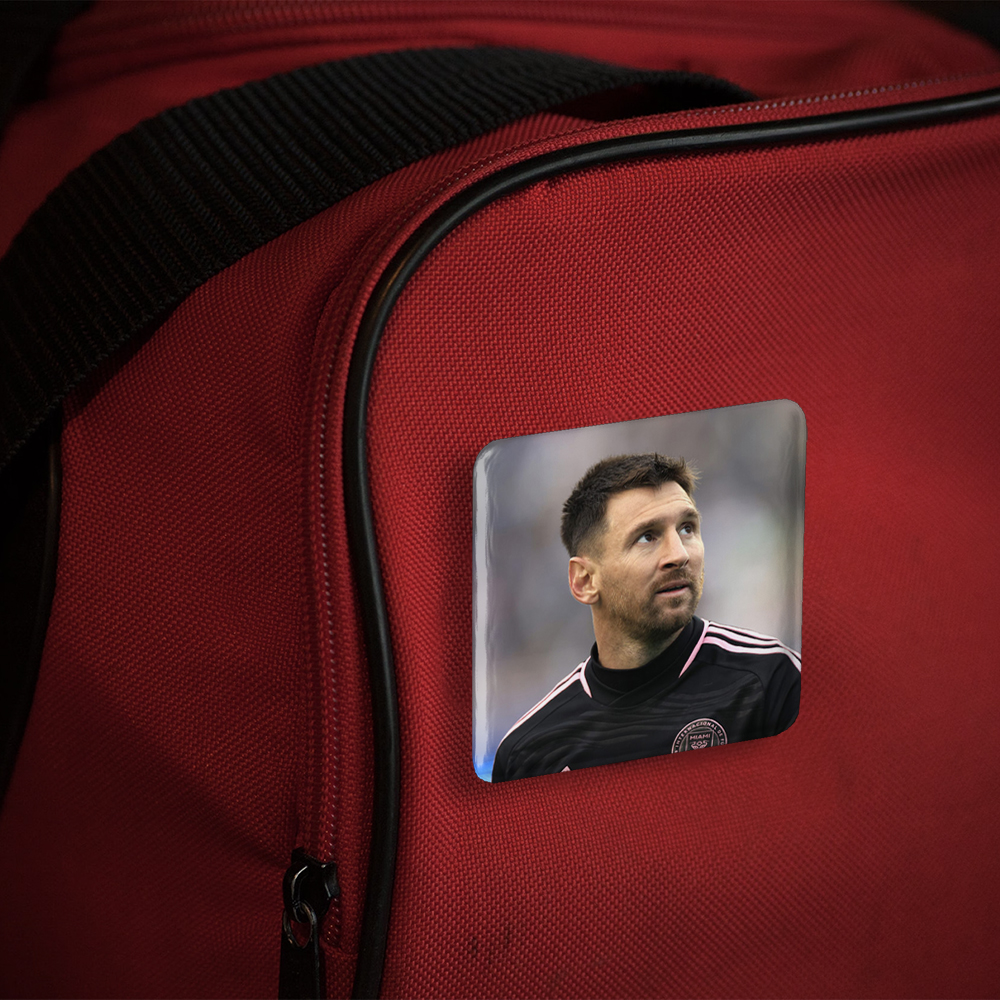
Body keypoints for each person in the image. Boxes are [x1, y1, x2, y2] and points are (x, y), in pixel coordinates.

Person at [491, 453, 800, 782]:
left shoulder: (772, 681)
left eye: (687, 528)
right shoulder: (529, 752)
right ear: (585, 580)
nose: (679, 554)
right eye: (647, 537)